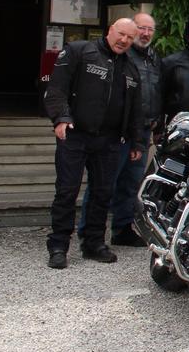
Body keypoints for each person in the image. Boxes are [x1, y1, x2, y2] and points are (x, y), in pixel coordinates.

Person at [43, 19, 146, 269]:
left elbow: (135, 110)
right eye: (121, 34)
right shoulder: (79, 51)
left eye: (129, 38)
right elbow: (56, 89)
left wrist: (137, 142)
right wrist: (61, 118)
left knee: (103, 193)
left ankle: (93, 243)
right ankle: (58, 246)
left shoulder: (131, 68)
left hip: (110, 140)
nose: (124, 40)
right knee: (67, 191)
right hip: (75, 134)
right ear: (110, 30)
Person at [80, 11, 159, 248]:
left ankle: (122, 228)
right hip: (118, 131)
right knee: (103, 182)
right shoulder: (122, 56)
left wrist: (158, 122)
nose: (144, 34)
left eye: (149, 30)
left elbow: (158, 92)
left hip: (142, 131)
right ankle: (90, 231)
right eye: (140, 28)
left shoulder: (153, 58)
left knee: (131, 182)